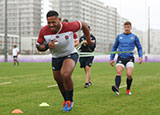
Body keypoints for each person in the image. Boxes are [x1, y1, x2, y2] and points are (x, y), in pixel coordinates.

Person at [36, 10, 93, 112]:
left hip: (70, 54)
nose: (51, 25)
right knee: (58, 80)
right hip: (56, 57)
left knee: (65, 74)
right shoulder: (44, 31)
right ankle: (65, 99)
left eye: (53, 22)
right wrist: (47, 46)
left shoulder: (69, 26)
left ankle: (70, 101)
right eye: (49, 23)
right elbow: (39, 47)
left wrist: (88, 40)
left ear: (59, 20)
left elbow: (84, 25)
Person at [110, 21, 143, 95]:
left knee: (129, 75)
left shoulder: (134, 37)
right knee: (118, 72)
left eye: (128, 27)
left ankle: (128, 89)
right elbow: (114, 47)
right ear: (123, 27)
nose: (126, 28)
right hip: (121, 58)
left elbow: (139, 48)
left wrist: (140, 57)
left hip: (129, 58)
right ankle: (117, 89)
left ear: (130, 28)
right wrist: (111, 58)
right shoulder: (119, 36)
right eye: (125, 27)